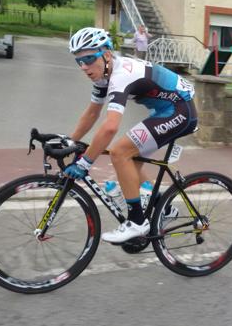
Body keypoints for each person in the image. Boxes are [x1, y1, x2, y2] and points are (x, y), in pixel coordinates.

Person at [65, 27, 197, 243]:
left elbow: (110, 127)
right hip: (165, 110)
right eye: (78, 61)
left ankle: (137, 222)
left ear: (106, 54)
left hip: (180, 110)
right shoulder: (102, 77)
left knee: (120, 152)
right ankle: (164, 208)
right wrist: (69, 141)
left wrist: (84, 163)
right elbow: (92, 113)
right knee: (129, 163)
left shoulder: (120, 74)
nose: (84, 66)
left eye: (88, 58)